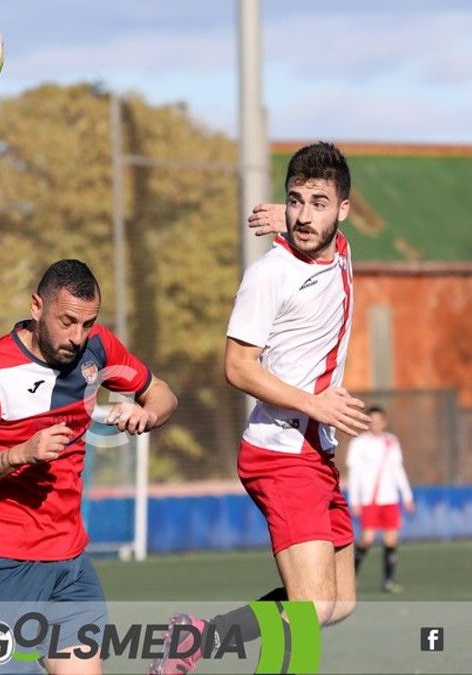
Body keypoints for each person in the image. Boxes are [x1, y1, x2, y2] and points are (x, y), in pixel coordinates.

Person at [150, 142, 370, 675]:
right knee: (311, 607)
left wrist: (285, 215)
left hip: (317, 453)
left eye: (318, 202)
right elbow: (238, 368)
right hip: (279, 452)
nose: (304, 214)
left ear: (343, 209)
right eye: (295, 200)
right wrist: (313, 403)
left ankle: (200, 637)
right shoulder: (268, 275)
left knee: (339, 604)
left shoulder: (337, 249)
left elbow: (318, 232)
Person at [0, 258, 177, 674]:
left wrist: (149, 415)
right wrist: (20, 453)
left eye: (87, 324)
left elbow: (160, 392)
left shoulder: (98, 347)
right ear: (37, 307)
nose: (77, 337)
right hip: (3, 566)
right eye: (67, 321)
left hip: (70, 565)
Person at [346, 405, 415, 593]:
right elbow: (355, 473)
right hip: (369, 499)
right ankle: (349, 577)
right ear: (367, 422)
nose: (376, 424)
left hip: (390, 498)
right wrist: (355, 500)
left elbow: (398, 469)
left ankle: (388, 579)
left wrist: (407, 495)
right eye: (372, 421)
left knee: (391, 540)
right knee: (366, 539)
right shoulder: (359, 443)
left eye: (379, 421)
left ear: (384, 422)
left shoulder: (391, 441)